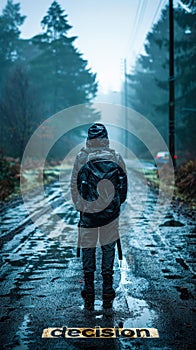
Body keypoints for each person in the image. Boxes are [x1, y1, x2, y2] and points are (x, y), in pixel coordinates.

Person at [70, 123, 127, 312]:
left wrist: (82, 206)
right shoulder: (116, 157)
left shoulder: (81, 158)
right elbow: (123, 187)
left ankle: (88, 289)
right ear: (106, 138)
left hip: (88, 214)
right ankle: (108, 290)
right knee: (108, 249)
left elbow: (74, 186)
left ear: (88, 139)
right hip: (110, 214)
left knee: (88, 249)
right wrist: (115, 205)